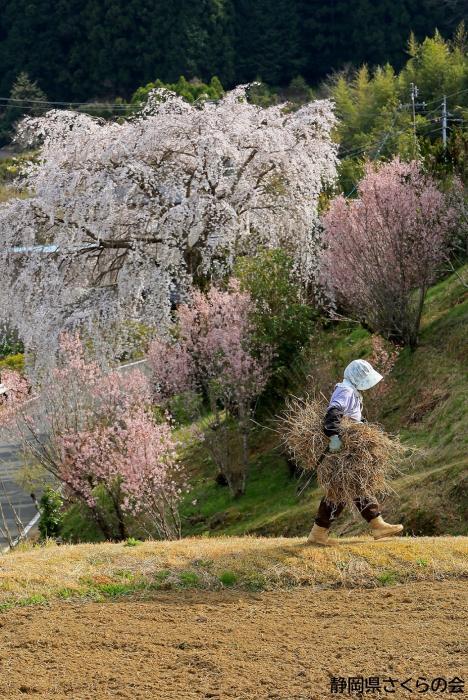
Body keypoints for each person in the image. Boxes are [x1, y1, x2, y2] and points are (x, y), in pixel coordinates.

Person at [307, 359, 403, 546]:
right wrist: (334, 436)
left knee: (353, 486)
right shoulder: (345, 391)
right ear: (356, 376)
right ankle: (319, 534)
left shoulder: (351, 391)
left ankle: (377, 525)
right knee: (343, 489)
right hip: (341, 448)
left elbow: (351, 417)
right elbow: (333, 413)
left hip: (348, 448)